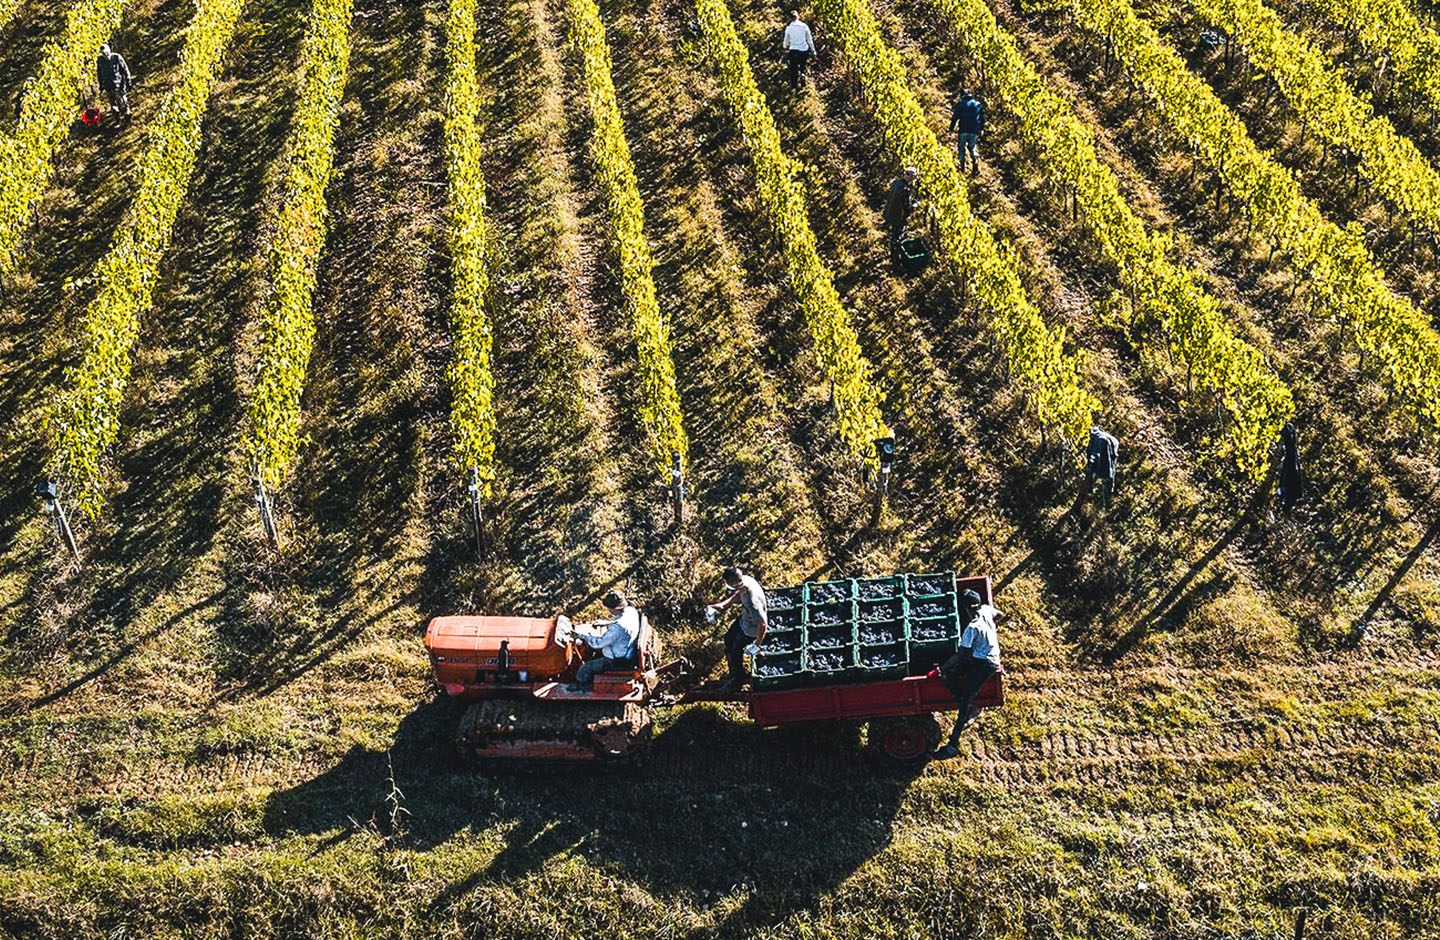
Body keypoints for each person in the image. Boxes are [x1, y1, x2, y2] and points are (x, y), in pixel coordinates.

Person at [933, 589, 1001, 758]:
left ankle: (952, 746)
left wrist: (942, 667)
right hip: (980, 656)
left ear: (964, 608)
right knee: (948, 676)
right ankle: (969, 706)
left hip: (986, 664)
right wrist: (992, 633)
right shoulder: (986, 609)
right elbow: (999, 614)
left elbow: (961, 654)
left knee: (964, 702)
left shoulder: (972, 628)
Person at [706, 566, 768, 693]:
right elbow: (738, 596)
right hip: (744, 620)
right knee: (728, 639)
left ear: (736, 584)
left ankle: (736, 681)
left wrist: (757, 644)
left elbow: (762, 625)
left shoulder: (752, 600)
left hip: (750, 630)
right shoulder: (745, 581)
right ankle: (733, 673)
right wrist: (721, 606)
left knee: (736, 651)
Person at [566, 591, 640, 692]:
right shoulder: (631, 611)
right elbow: (620, 624)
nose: (608, 610)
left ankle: (581, 687)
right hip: (627, 646)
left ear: (615, 609)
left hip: (617, 659)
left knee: (584, 669)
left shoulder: (617, 627)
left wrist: (580, 635)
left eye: (609, 608)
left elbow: (598, 643)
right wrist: (606, 623)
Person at [883, 166, 919, 265]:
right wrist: (915, 205)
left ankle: (893, 254)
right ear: (911, 177)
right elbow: (907, 208)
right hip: (898, 217)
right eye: (914, 178)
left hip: (890, 213)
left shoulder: (896, 183)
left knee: (893, 235)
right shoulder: (905, 190)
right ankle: (896, 261)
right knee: (897, 237)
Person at [949, 89, 984, 174]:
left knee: (961, 148)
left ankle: (962, 169)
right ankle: (975, 162)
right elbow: (982, 118)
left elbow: (955, 117)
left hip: (963, 130)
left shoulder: (960, 104)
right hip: (974, 130)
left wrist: (951, 129)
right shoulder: (977, 104)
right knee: (972, 147)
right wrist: (982, 128)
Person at [1086, 424, 1119, 506]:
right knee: (1111, 466)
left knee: (1094, 464)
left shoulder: (1095, 439)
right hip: (1114, 442)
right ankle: (1111, 487)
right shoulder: (1102, 435)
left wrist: (1089, 485)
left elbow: (1092, 459)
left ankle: (1092, 489)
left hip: (1104, 443)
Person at [782, 11, 816, 89]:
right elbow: (809, 39)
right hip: (804, 50)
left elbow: (786, 40)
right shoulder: (804, 26)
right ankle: (802, 74)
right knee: (802, 65)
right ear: (798, 16)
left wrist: (785, 48)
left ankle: (794, 86)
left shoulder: (789, 28)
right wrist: (813, 50)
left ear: (790, 18)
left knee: (793, 69)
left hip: (793, 50)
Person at [96, 44, 132, 117]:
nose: (105, 54)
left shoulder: (117, 57)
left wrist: (128, 80)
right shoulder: (100, 60)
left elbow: (125, 69)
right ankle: (117, 121)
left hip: (119, 85)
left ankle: (127, 119)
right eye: (103, 53)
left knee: (123, 103)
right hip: (108, 86)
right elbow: (99, 73)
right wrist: (101, 85)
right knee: (113, 106)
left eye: (106, 52)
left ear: (109, 50)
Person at [1277, 420, 1304, 515]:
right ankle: (1288, 432)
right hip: (1291, 472)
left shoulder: (1292, 497)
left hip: (1291, 471)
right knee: (1291, 453)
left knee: (1292, 453)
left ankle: (1289, 432)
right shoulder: (1290, 497)